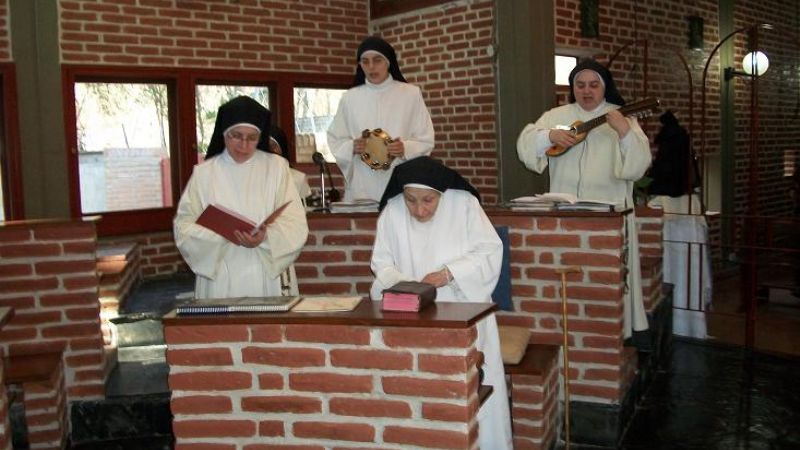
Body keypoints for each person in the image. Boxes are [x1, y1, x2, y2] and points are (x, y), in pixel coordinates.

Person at [369, 156, 513, 450]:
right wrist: (406, 285)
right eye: (411, 200)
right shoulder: (393, 210)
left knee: (474, 395)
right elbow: (381, 263)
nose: (419, 210)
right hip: (413, 317)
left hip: (466, 312)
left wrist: (449, 274)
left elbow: (489, 250)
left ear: (441, 194)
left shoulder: (464, 205)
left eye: (428, 201)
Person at [516, 59, 652, 338]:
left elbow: (639, 165)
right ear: (572, 87)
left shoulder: (622, 116)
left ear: (604, 88)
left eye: (593, 85)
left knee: (607, 278)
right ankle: (567, 328)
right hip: (568, 214)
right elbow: (526, 145)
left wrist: (624, 131)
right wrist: (549, 135)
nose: (586, 91)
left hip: (609, 214)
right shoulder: (556, 115)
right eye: (580, 85)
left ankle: (610, 333)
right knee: (569, 273)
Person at [174, 96, 308, 298]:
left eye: (252, 137)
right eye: (237, 136)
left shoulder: (277, 168)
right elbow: (183, 228)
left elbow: (295, 222)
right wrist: (221, 235)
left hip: (265, 271)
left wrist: (265, 238)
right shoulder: (204, 174)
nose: (244, 145)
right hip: (220, 274)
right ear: (224, 134)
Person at [327, 35, 435, 202]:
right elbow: (335, 139)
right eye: (365, 61)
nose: (371, 67)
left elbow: (426, 139)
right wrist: (352, 147)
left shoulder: (410, 94)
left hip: (400, 180)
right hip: (362, 185)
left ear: (388, 62)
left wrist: (404, 148)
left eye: (377, 60)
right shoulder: (350, 98)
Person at [647, 111, 712, 338]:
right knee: (687, 270)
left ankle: (679, 323)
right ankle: (687, 322)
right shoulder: (681, 140)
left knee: (674, 269)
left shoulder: (673, 141)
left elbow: (665, 174)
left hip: (672, 211)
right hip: (683, 212)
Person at [268, 124, 312, 206]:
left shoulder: (298, 178)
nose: (270, 150)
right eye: (266, 147)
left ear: (282, 149)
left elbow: (305, 210)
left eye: (273, 146)